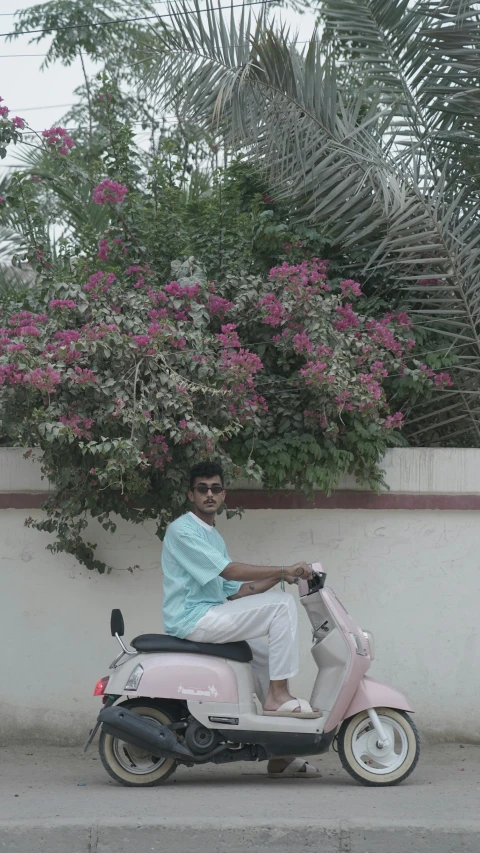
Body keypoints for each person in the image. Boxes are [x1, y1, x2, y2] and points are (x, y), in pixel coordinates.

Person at [161, 460, 320, 777]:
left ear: (223, 495)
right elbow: (229, 571)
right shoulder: (183, 530)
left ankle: (280, 753)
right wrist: (282, 569)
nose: (209, 494)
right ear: (191, 495)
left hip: (212, 612)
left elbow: (237, 590)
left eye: (215, 489)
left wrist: (284, 577)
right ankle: (278, 696)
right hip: (194, 617)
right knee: (280, 607)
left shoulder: (212, 537)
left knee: (261, 655)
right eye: (202, 489)